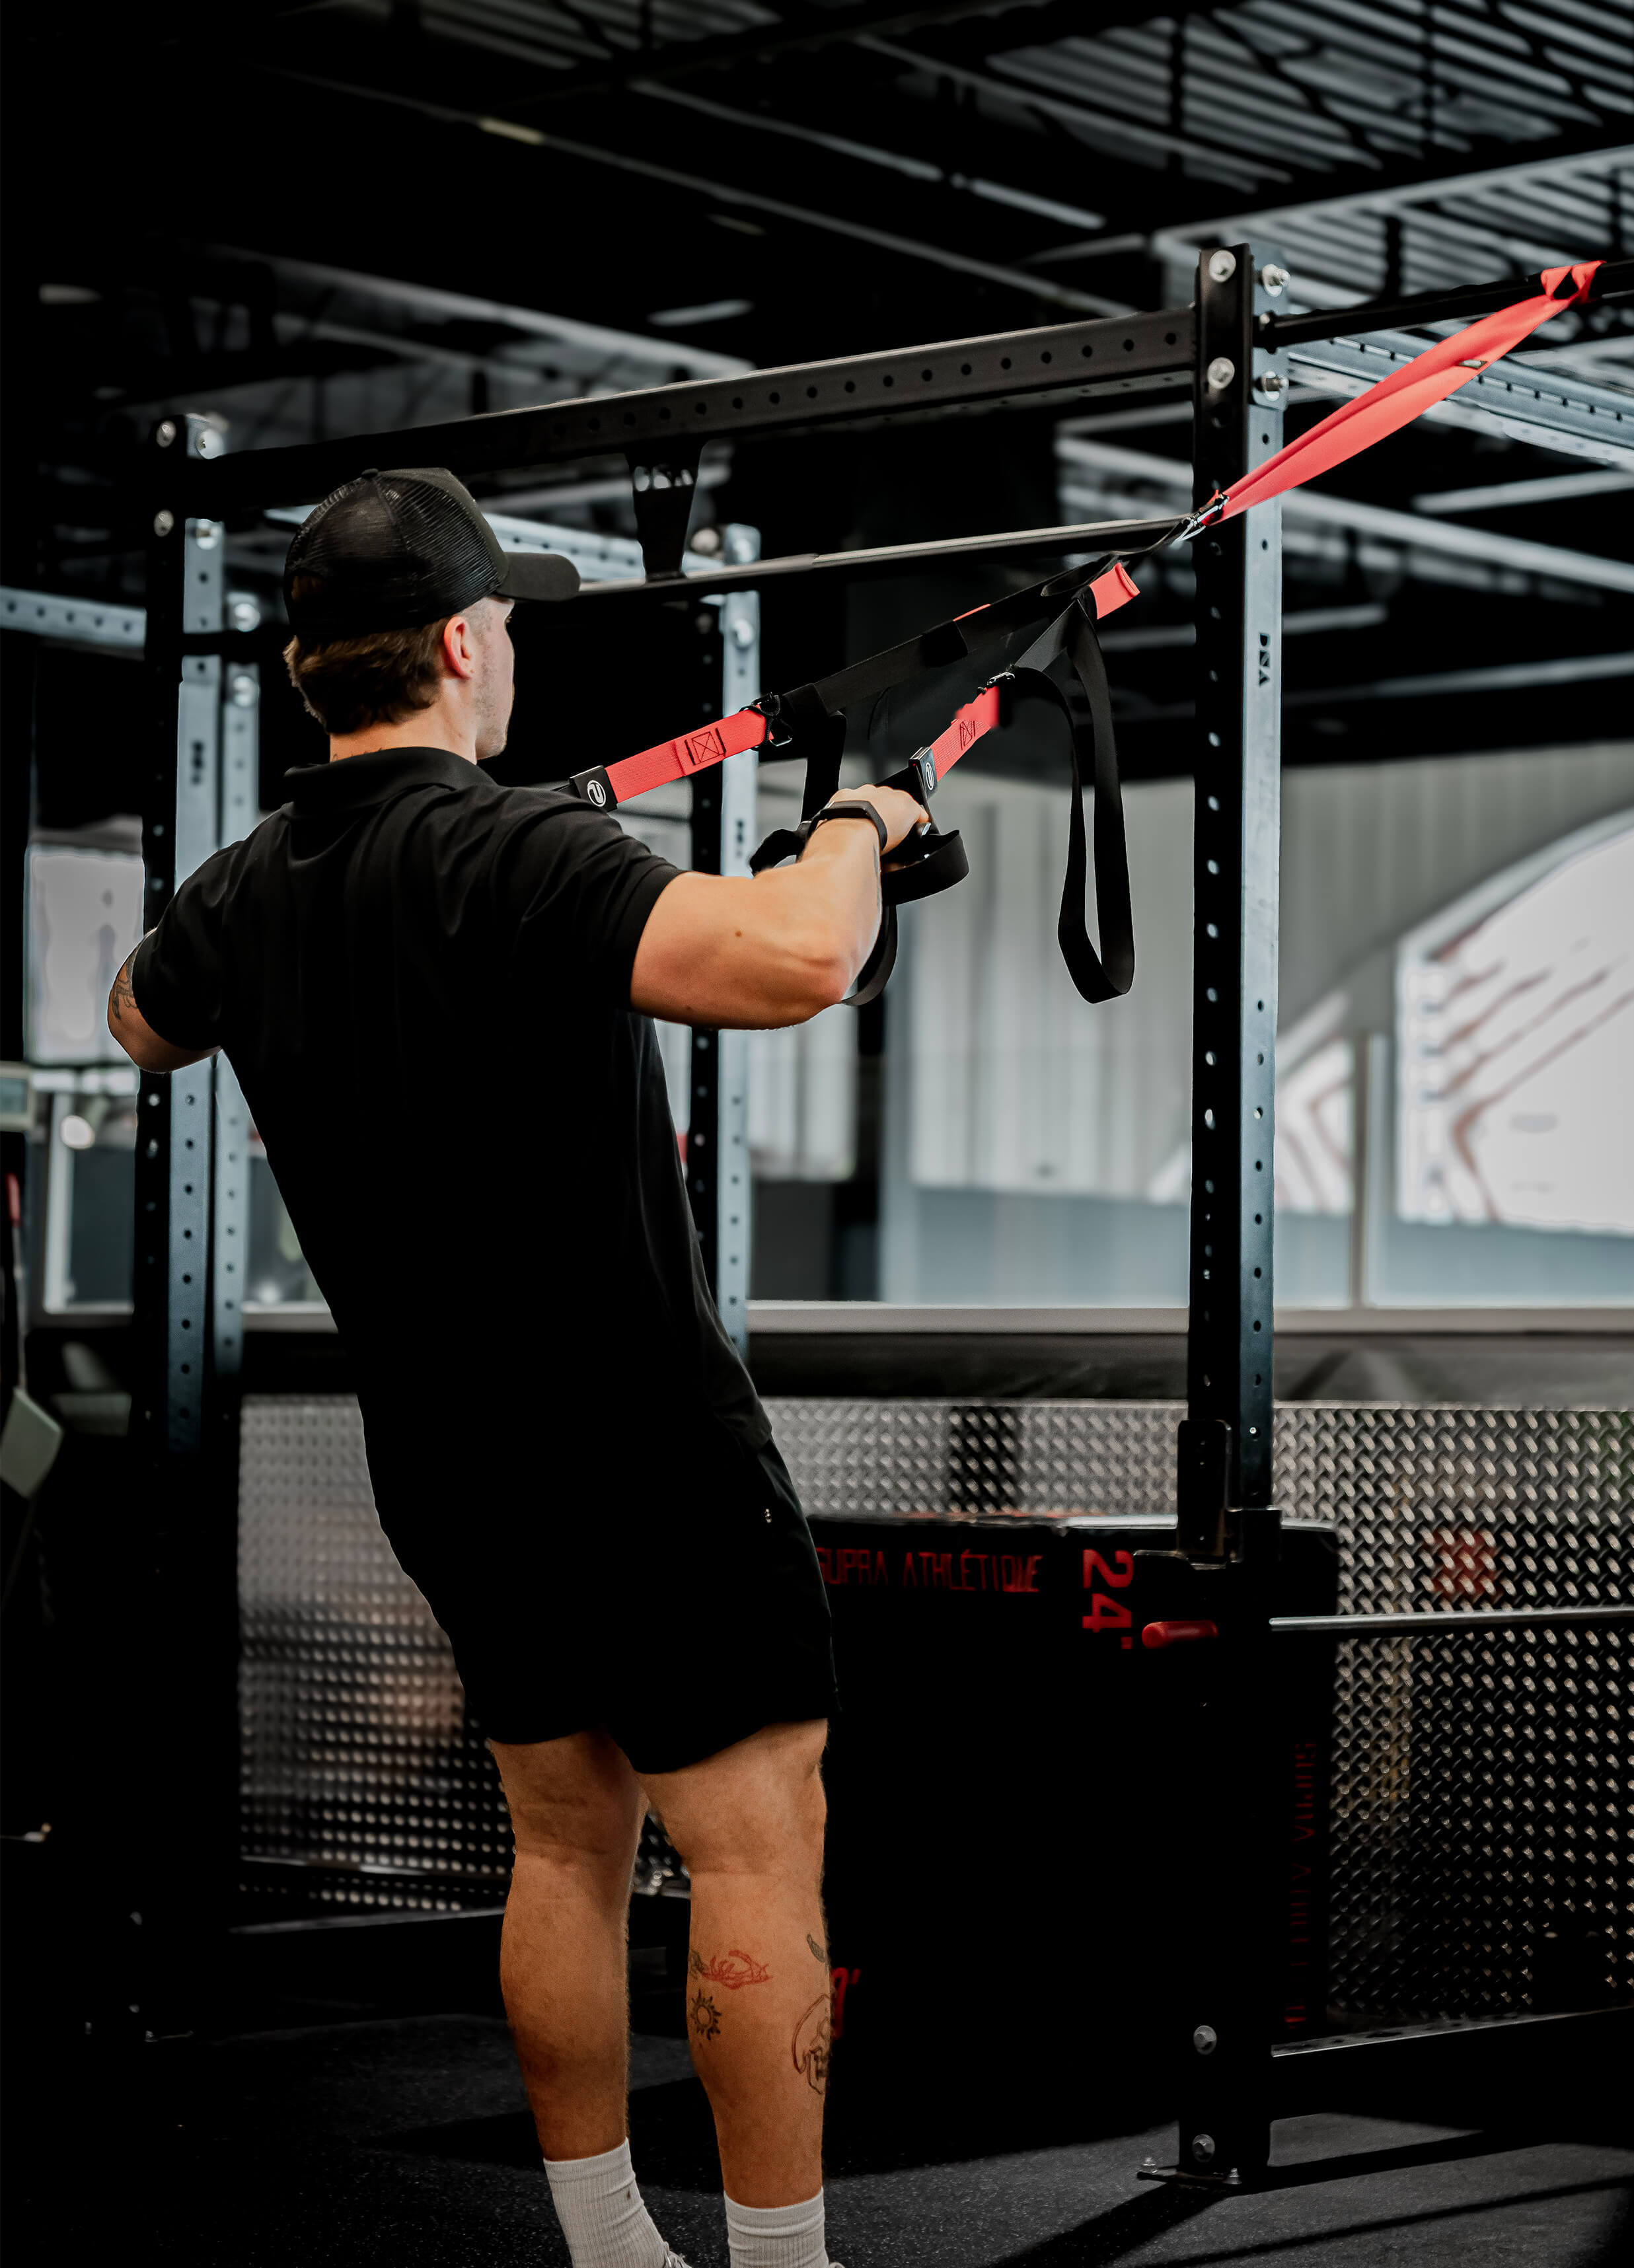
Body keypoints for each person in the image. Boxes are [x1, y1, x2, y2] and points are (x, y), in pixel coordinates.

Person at [107, 467, 926, 2268]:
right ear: (469, 646)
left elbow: (134, 1017)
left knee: (562, 1847)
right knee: (752, 1846)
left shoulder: (250, 891)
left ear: (316, 667)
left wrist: (377, 883)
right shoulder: (519, 855)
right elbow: (799, 955)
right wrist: (861, 815)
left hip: (454, 1459)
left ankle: (608, 2246)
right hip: (640, 1446)